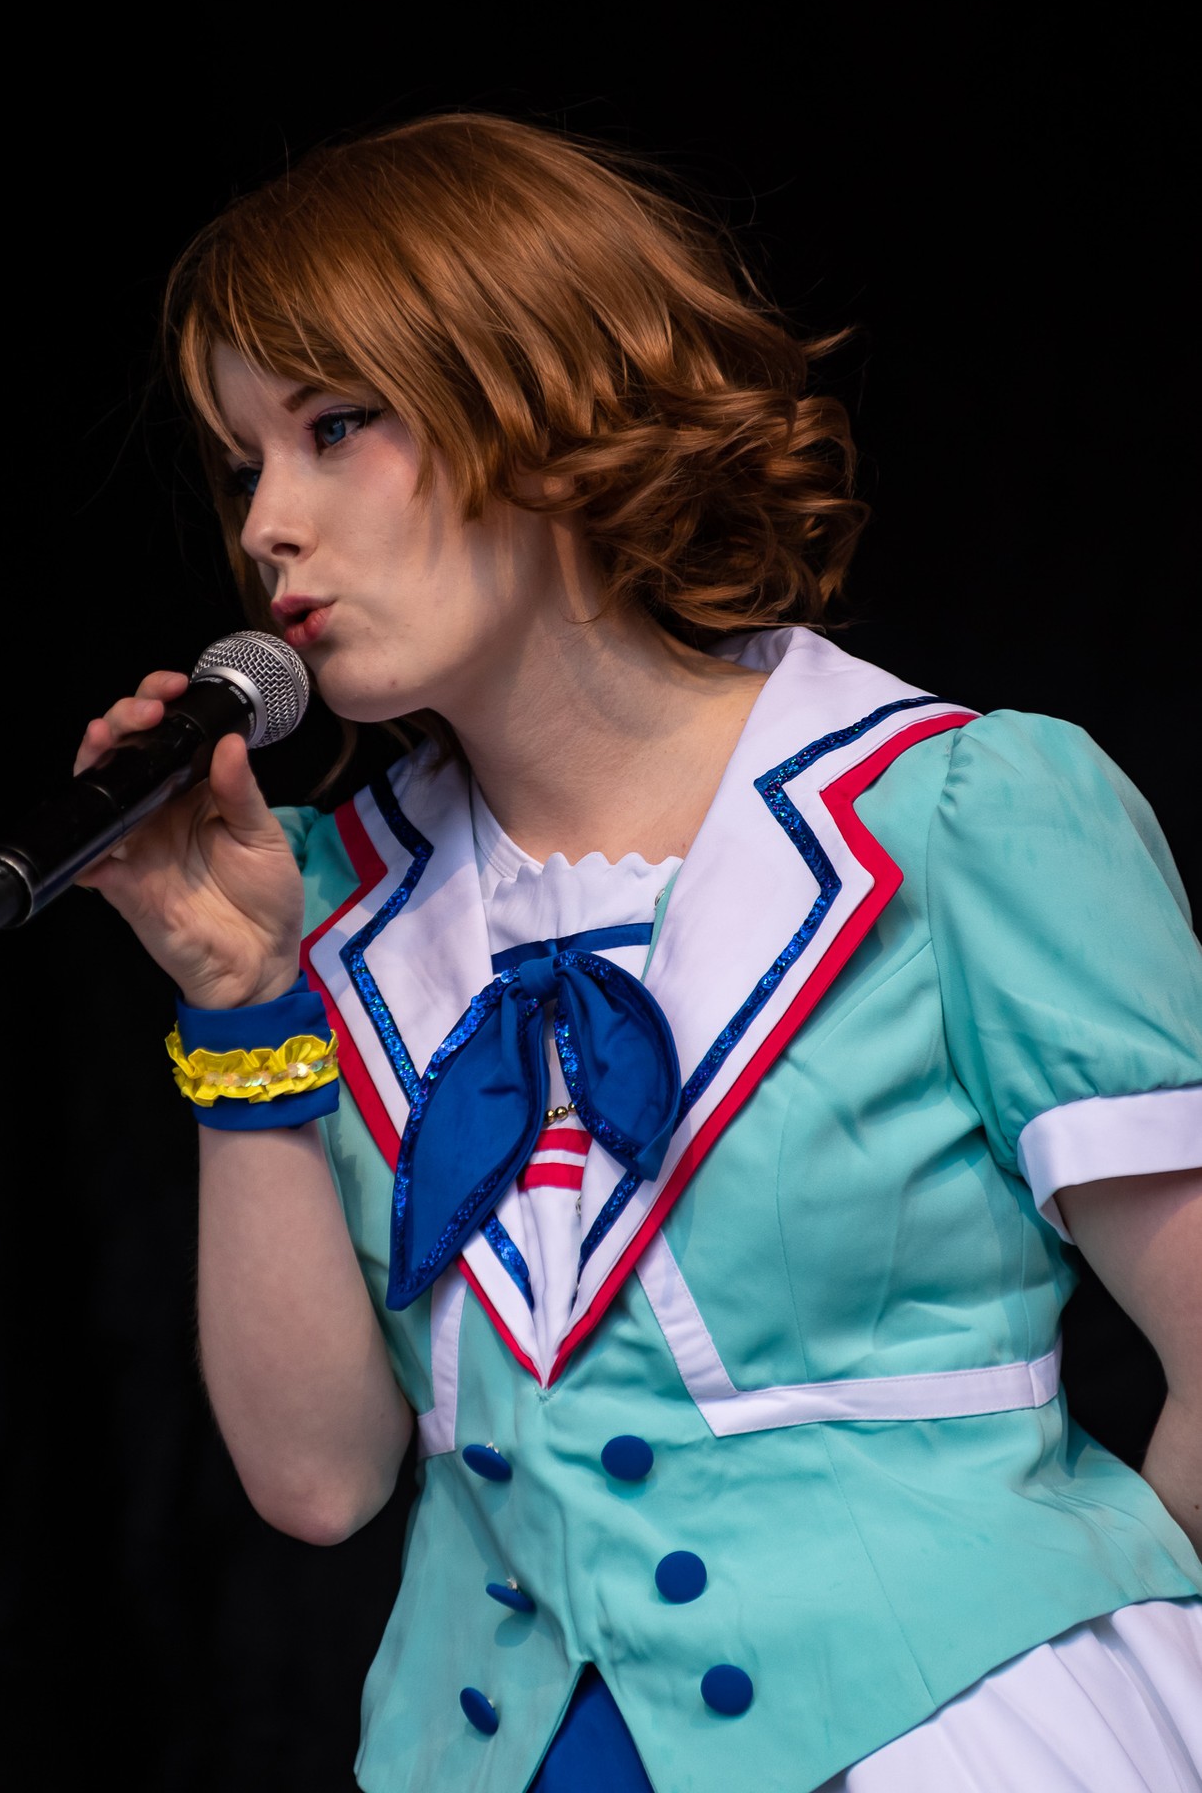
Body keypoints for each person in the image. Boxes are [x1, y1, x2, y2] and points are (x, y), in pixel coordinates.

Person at [75, 114, 1201, 1792]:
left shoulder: (962, 814)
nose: (270, 527)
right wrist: (240, 1007)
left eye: (334, 426)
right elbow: (318, 1483)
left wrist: (1075, 1665)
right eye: (246, 465)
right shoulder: (314, 904)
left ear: (545, 400)